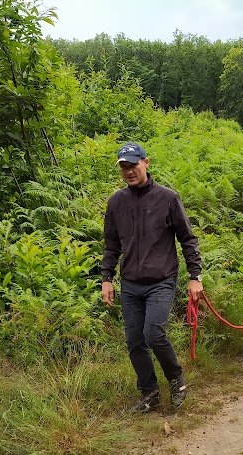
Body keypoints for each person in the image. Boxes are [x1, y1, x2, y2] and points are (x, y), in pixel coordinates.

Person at [101, 142, 203, 413]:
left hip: (161, 280)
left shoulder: (168, 198)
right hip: (130, 284)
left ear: (146, 162)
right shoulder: (116, 202)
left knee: (153, 332)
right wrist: (107, 278)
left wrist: (195, 276)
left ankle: (176, 380)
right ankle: (149, 392)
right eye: (124, 167)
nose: (129, 171)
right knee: (134, 340)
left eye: (133, 165)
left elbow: (187, 239)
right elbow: (111, 244)